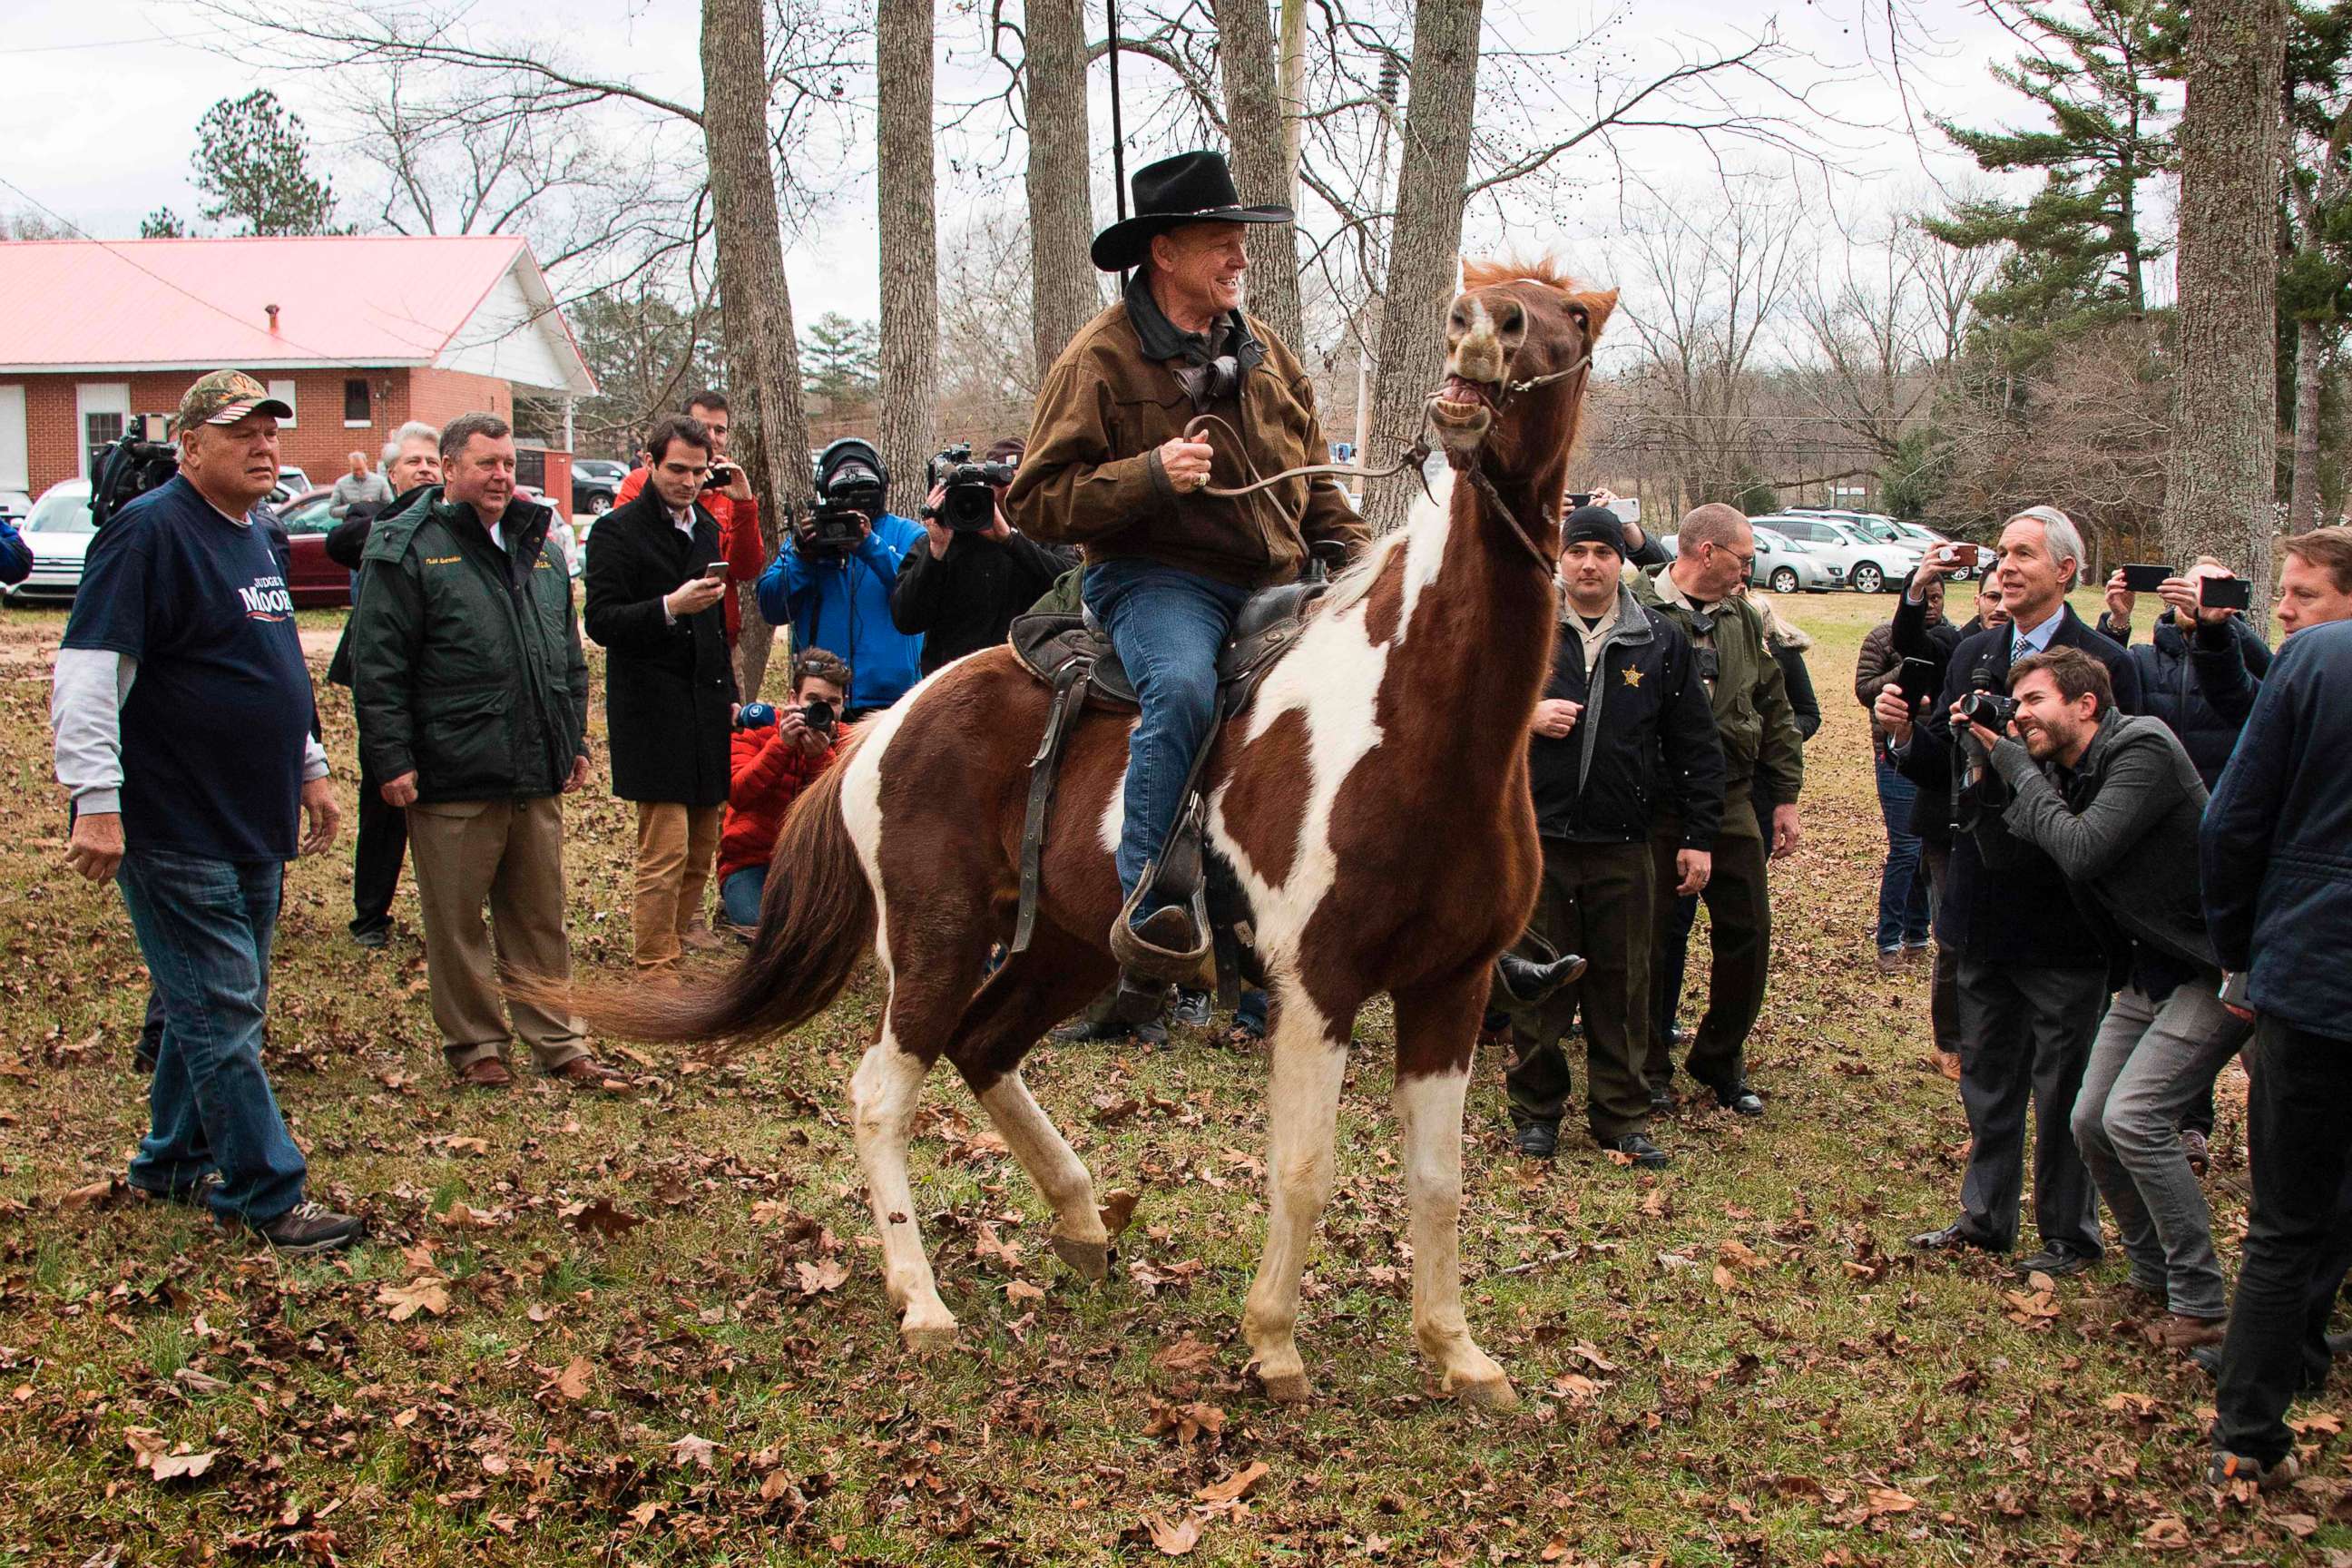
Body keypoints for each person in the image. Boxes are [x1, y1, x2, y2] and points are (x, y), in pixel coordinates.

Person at [1008, 149, 1366, 1004]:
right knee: (1183, 688)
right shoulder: (1098, 359)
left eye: (1241, 241)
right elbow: (1035, 500)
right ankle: (1152, 901)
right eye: (1220, 242)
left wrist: (1366, 566)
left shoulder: (1268, 352)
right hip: (1159, 580)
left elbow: (1313, 484)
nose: (1241, 258)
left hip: (1277, 580)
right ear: (1163, 253)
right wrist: (1149, 476)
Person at [50, 369, 361, 1252]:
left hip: (252, 817)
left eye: (271, 433)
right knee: (222, 1010)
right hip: (174, 819)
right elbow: (86, 675)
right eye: (242, 434)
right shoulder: (147, 535)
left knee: (221, 1000)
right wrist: (97, 803)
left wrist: (309, 765)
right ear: (188, 446)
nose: (265, 448)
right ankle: (267, 1193)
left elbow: (272, 668)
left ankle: (171, 1161)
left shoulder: (256, 536)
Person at [1881, 505, 2141, 1277]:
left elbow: (2116, 782)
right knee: (1989, 1072)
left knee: (2062, 1082)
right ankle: (1985, 1216)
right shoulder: (1976, 649)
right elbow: (1943, 764)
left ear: (2067, 570)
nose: (2005, 567)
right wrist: (1902, 734)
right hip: (1979, 896)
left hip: (2062, 905)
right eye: (1999, 554)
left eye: (2023, 554)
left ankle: (2069, 1234)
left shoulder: (2105, 663)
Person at [1974, 647, 2243, 1350]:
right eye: (2016, 704)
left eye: (2034, 701)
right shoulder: (2064, 772)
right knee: (2090, 1119)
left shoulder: (2142, 748)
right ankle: (2153, 1275)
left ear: (2086, 704)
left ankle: (2201, 1301)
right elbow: (2012, 855)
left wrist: (2020, 771)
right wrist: (1985, 772)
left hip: (2213, 964)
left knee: (2136, 1118)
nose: (2020, 715)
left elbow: (2084, 850)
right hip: (2146, 970)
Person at [350, 413, 606, 1089]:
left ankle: (559, 1040)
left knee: (540, 918)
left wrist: (572, 738)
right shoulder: (406, 548)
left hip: (534, 771)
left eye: (508, 464)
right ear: (451, 467)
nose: (500, 476)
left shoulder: (541, 547)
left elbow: (566, 656)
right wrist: (391, 759)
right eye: (486, 463)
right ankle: (476, 1047)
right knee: (457, 924)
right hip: (451, 773)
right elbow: (378, 666)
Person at [1502, 505, 1725, 1168]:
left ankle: (1621, 1115)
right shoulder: (1524, 633)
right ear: (1560, 560)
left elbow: (1695, 746)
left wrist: (1699, 835)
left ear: (1621, 561)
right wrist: (1526, 716)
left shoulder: (1661, 639)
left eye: (1602, 552)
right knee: (1539, 983)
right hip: (1539, 838)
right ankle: (1536, 1113)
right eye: (1578, 553)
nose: (1589, 564)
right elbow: (1469, 726)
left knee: (1623, 984)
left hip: (1626, 842)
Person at [2201, 610, 2352, 1490]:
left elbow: (2233, 824)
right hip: (2314, 963)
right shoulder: (2316, 658)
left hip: (2310, 967)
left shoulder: (2317, 660)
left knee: (2286, 1216)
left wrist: (2241, 950)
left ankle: (2247, 1427)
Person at [1630, 504, 1803, 1118]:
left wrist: (1783, 797)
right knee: (1649, 939)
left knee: (1749, 933)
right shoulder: (1639, 609)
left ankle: (1719, 1057)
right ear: (1706, 552)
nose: (1749, 569)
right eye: (1743, 557)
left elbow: (1776, 707)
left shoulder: (1743, 618)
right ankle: (1647, 1065)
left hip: (1731, 796)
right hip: (1654, 803)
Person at [584, 415, 742, 974]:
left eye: (699, 472)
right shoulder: (616, 531)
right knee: (666, 845)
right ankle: (654, 960)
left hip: (703, 701)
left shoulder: (703, 526)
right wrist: (671, 606)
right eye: (677, 469)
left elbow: (717, 624)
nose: (689, 481)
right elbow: (600, 620)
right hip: (650, 705)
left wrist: (727, 688)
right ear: (649, 464)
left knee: (704, 836)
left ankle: (681, 930)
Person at [322, 421, 443, 949]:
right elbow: (339, 542)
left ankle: (450, 913)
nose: (425, 470)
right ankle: (370, 917)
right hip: (385, 682)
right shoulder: (372, 518)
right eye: (414, 462)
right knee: (383, 800)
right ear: (390, 474)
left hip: (443, 685)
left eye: (434, 463)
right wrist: (405, 518)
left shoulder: (455, 524)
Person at [1896, 554, 2013, 1078]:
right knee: (1952, 934)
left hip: (2021, 821)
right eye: (1991, 596)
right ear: (1979, 600)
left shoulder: (2055, 657)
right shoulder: (1962, 648)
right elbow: (1911, 643)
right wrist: (1916, 589)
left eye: (2005, 597)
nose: (2000, 606)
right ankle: (1952, 1038)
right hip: (1949, 816)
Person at [757, 438, 925, 719]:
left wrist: (870, 546)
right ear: (826, 493)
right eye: (843, 491)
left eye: (864, 490)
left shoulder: (908, 535)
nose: (854, 498)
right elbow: (771, 606)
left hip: (893, 699)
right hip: (823, 698)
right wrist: (803, 559)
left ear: (883, 487)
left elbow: (921, 592)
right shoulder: (810, 540)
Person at [890, 437, 1077, 672]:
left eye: (1019, 480)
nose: (1010, 490)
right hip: (957, 684)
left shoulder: (1048, 535)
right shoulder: (943, 541)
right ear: (984, 485)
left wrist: (1010, 540)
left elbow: (1073, 590)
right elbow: (906, 619)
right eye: (1000, 482)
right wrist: (936, 551)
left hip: (1027, 680)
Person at [611, 390, 768, 657]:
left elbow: (746, 569)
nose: (712, 438)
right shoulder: (641, 482)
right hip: (655, 638)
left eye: (720, 430)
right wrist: (688, 495)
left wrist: (744, 505)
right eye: (704, 428)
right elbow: (627, 555)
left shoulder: (729, 488)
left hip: (718, 642)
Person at [2095, 558, 2271, 790]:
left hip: (2221, 797)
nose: (2195, 598)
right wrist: (2118, 619)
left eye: (2207, 590)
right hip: (2153, 798)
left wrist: (2213, 624)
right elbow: (2097, 689)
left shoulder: (2245, 664)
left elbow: (2268, 678)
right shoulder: (2142, 658)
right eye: (2188, 588)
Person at [716, 651, 848, 933]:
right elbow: (737, 792)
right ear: (792, 698)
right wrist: (781, 746)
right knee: (764, 932)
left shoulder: (848, 744)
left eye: (832, 702)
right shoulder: (757, 730)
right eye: (813, 700)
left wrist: (821, 761)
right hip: (752, 862)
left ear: (843, 705)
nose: (821, 710)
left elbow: (847, 817)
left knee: (822, 934)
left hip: (813, 868)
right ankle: (735, 907)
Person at [1856, 577, 1942, 973]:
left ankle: (1918, 933)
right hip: (1892, 756)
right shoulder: (1881, 639)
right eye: (1926, 598)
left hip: (1934, 757)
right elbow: (1864, 689)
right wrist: (1906, 674)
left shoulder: (1949, 642)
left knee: (1926, 850)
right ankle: (1889, 940)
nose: (1932, 606)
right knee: (1905, 849)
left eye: (1939, 598)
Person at [328, 449, 393, 521]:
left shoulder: (380, 482)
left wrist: (372, 507)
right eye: (355, 470)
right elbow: (332, 510)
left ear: (366, 464)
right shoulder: (341, 484)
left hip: (373, 526)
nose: (359, 473)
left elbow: (390, 506)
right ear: (350, 467)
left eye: (361, 469)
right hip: (352, 527)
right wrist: (351, 508)